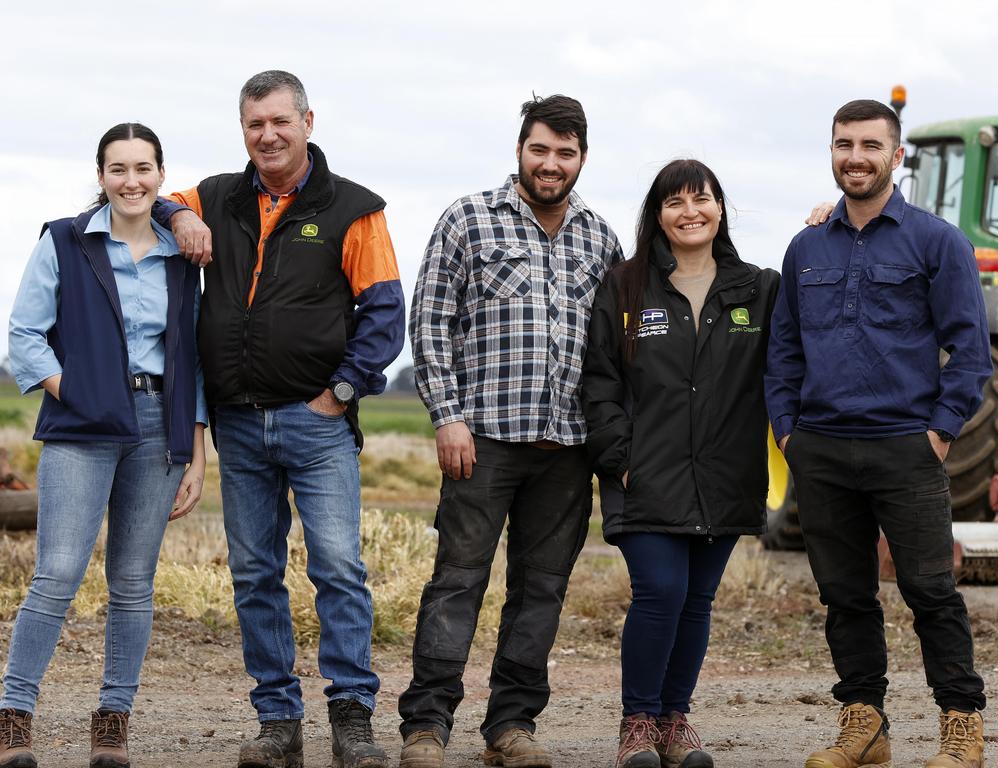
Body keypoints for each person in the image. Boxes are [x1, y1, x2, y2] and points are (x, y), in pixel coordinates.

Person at [154, 70, 404, 768]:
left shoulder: (355, 208)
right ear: (243, 129)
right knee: (255, 574)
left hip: (318, 424)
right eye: (254, 123)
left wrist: (343, 392)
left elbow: (385, 313)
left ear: (308, 122)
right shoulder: (214, 197)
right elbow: (149, 200)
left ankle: (352, 720)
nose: (267, 134)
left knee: (337, 568)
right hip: (238, 423)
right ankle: (277, 722)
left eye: (279, 122)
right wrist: (181, 216)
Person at [765, 99, 991, 768]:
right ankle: (865, 725)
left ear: (895, 156)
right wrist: (788, 432)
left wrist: (941, 432)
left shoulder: (935, 241)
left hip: (906, 447)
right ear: (831, 152)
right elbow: (783, 350)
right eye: (843, 144)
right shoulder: (806, 246)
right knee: (845, 595)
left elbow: (970, 348)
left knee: (930, 592)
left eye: (869, 145)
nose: (855, 156)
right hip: (823, 449)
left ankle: (961, 724)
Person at [399, 95, 623, 768]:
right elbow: (431, 321)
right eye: (540, 149)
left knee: (543, 587)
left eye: (565, 153)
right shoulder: (469, 219)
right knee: (457, 580)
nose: (550, 164)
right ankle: (427, 724)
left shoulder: (602, 238)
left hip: (567, 446)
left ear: (582, 157)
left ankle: (511, 725)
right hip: (484, 441)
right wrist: (448, 417)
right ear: (520, 148)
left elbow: (616, 345)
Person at [1, 123, 206, 768]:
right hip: (82, 428)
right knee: (57, 574)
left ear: (160, 175)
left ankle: (112, 723)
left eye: (144, 168)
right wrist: (76, 391)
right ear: (100, 176)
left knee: (133, 582)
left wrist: (196, 451)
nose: (132, 181)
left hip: (157, 431)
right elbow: (24, 336)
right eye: (118, 169)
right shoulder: (64, 240)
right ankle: (13, 718)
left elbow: (193, 358)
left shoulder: (181, 253)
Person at [582, 159, 780, 768]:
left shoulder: (759, 288)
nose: (689, 212)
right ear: (657, 214)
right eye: (675, 202)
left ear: (721, 208)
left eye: (702, 199)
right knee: (660, 590)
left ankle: (676, 720)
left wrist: (824, 222)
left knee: (697, 600)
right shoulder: (625, 286)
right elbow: (600, 379)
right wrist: (618, 456)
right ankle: (638, 722)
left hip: (725, 472)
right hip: (645, 471)